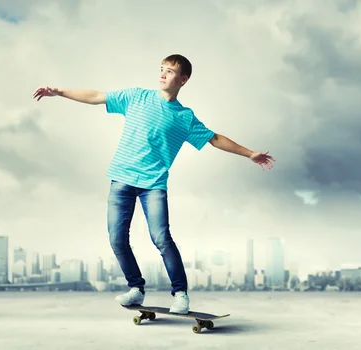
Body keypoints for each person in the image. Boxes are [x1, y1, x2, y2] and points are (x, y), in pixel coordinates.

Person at [32, 54, 275, 314]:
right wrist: (59, 92)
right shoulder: (136, 97)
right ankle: (136, 289)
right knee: (117, 239)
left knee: (161, 238)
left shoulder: (184, 117)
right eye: (161, 69)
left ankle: (180, 294)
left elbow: (214, 138)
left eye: (169, 71)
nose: (162, 74)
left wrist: (249, 153)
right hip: (121, 179)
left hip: (153, 184)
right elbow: (96, 96)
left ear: (183, 79)